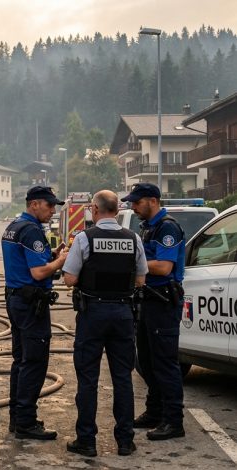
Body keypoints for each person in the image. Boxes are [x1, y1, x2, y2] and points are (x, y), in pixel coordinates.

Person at [62, 190, 147, 457]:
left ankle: (86, 441)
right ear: (118, 210)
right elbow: (141, 280)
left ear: (94, 210)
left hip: (93, 314)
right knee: (123, 378)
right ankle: (125, 441)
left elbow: (70, 279)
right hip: (123, 314)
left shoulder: (84, 239)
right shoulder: (133, 238)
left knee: (88, 379)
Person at [121, 183, 186, 440]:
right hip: (148, 300)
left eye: (137, 202)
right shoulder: (148, 226)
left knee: (165, 363)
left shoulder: (167, 227)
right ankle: (154, 411)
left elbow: (164, 267)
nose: (133, 207)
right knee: (146, 360)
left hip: (163, 302)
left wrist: (130, 264)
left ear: (152, 200)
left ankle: (174, 421)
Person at [2, 186, 68, 440]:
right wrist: (59, 262)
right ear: (34, 204)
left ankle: (16, 418)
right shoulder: (31, 231)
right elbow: (38, 273)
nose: (53, 211)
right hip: (31, 305)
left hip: (16, 299)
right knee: (35, 363)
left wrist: (50, 255)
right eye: (49, 206)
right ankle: (27, 423)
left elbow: (26, 260)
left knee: (20, 361)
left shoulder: (15, 226)